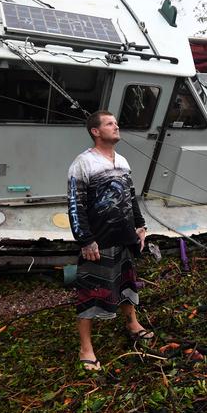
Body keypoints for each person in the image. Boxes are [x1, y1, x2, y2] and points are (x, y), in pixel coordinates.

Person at [67, 110, 152, 371]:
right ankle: (85, 347)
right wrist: (85, 240)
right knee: (90, 292)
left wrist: (140, 226)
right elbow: (75, 204)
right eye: (109, 123)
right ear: (96, 131)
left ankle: (132, 324)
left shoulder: (123, 161)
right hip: (99, 241)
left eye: (116, 122)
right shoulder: (82, 163)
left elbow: (131, 197)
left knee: (127, 282)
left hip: (125, 236)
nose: (116, 126)